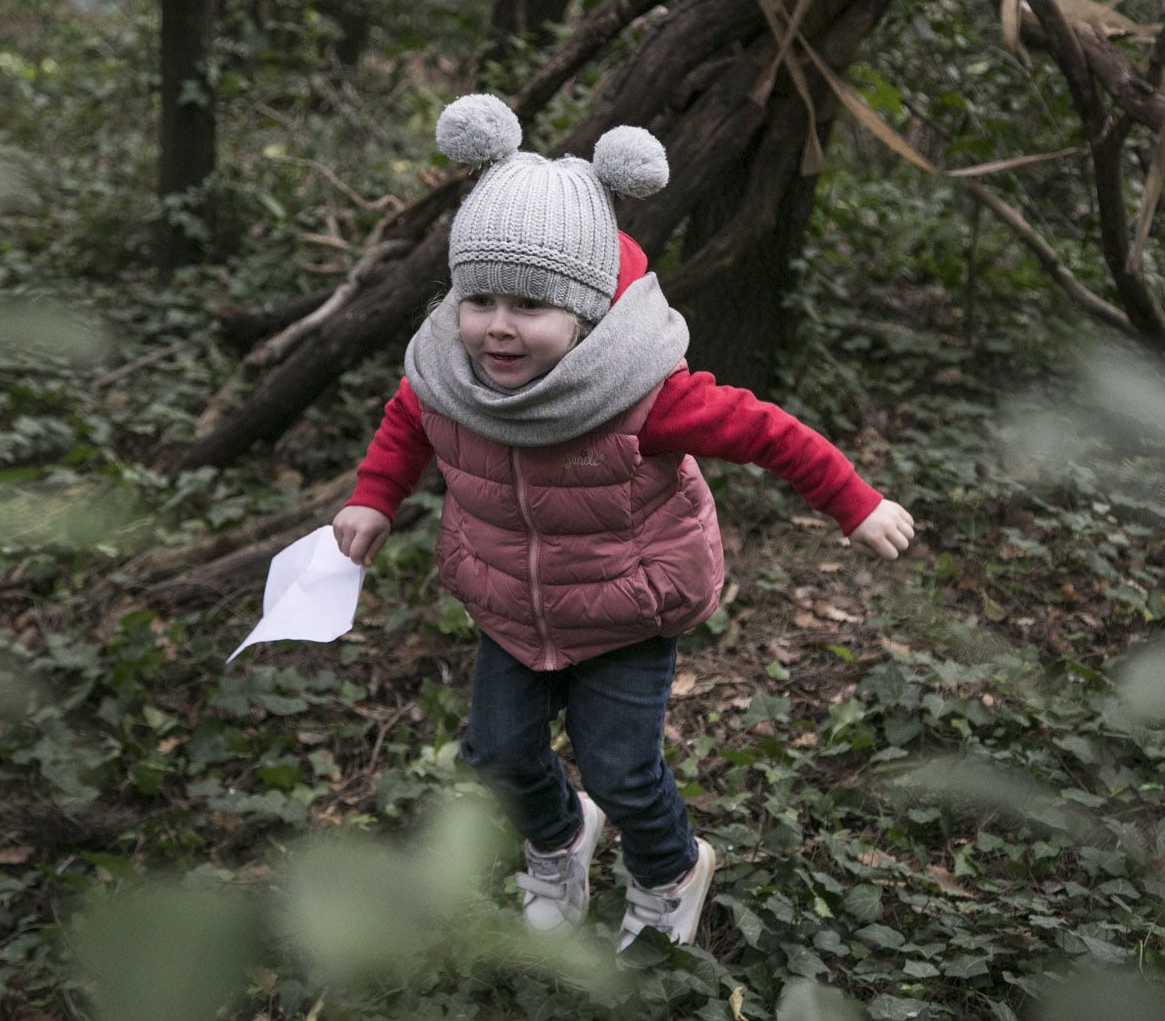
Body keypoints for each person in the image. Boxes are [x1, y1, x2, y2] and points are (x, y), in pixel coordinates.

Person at [332, 95, 915, 960]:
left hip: (625, 611)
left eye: (529, 305)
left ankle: (670, 870)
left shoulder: (642, 391)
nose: (497, 325)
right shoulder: (448, 375)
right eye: (479, 298)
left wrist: (856, 502)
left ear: (585, 310)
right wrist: (374, 497)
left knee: (622, 767)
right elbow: (407, 420)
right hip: (510, 605)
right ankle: (561, 837)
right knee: (494, 753)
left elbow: (764, 429)